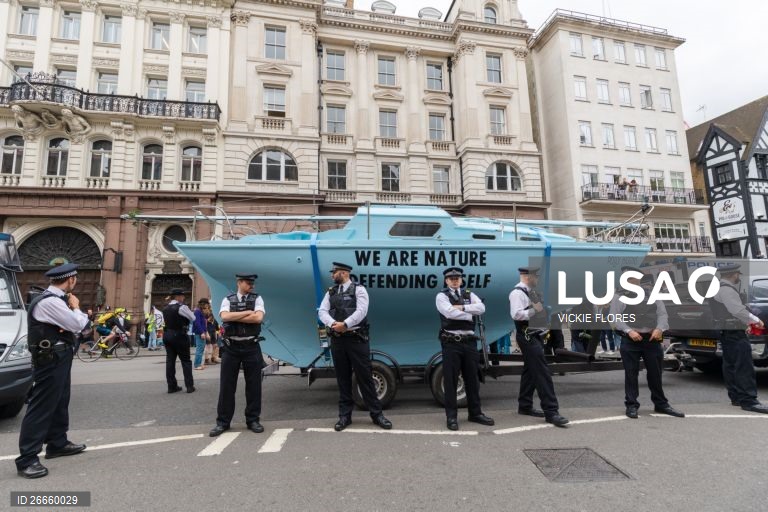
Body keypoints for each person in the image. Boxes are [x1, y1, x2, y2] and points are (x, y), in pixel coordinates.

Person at [15, 263, 89, 479]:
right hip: (51, 358)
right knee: (42, 405)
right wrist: (76, 306)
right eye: (75, 279)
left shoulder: (54, 300)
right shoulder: (51, 302)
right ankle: (27, 459)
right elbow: (79, 325)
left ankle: (57, 443)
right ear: (71, 280)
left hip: (59, 355)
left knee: (59, 400)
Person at [318, 262, 392, 432]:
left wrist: (345, 324)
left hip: (356, 340)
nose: (332, 275)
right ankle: (345, 416)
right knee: (342, 379)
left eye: (334, 272)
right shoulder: (331, 292)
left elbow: (361, 311)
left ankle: (377, 414)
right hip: (338, 340)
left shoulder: (359, 290)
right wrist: (333, 324)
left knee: (365, 377)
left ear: (343, 273)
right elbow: (322, 311)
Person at [610, 268, 684, 419]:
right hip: (631, 339)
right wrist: (629, 330)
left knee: (656, 373)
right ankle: (631, 405)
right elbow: (614, 317)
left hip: (652, 338)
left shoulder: (652, 294)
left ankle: (661, 404)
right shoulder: (619, 297)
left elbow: (662, 315)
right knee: (631, 374)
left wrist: (660, 329)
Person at [509, 267, 569, 427]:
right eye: (536, 276)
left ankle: (525, 405)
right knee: (542, 372)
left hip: (535, 334)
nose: (538, 279)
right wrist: (534, 312)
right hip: (527, 335)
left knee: (530, 370)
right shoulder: (517, 293)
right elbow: (516, 314)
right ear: (527, 277)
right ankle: (551, 411)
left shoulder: (531, 292)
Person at [436, 267, 494, 430]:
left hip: (469, 343)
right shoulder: (442, 296)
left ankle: (475, 413)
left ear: (461, 280)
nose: (455, 280)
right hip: (451, 342)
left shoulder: (469, 294)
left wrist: (462, 308)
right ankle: (452, 417)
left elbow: (481, 308)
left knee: (472, 379)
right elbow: (449, 313)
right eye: (451, 278)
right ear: (446, 280)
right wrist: (469, 313)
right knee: (451, 380)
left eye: (457, 278)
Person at [210, 274, 267, 436]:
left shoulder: (258, 298)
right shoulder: (228, 299)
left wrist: (237, 316)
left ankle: (253, 420)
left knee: (254, 386)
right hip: (231, 348)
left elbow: (258, 318)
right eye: (248, 283)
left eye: (252, 283)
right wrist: (248, 312)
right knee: (227, 386)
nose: (252, 286)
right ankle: (223, 422)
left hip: (251, 346)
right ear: (239, 283)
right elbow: (224, 317)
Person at [710, 264, 768, 413]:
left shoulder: (718, 288)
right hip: (734, 332)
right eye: (737, 274)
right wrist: (755, 320)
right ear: (733, 274)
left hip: (727, 330)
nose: (738, 277)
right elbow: (737, 310)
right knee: (744, 365)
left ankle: (736, 396)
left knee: (730, 364)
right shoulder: (727, 290)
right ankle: (749, 401)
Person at [162, 289, 195, 394]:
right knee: (186, 361)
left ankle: (171, 386)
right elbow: (193, 318)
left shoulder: (165, 308)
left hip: (167, 335)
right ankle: (189, 386)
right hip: (179, 335)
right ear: (178, 297)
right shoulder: (182, 307)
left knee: (170, 361)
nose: (183, 298)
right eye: (182, 296)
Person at [193, 298, 210, 370]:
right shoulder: (197, 311)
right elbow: (197, 323)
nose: (207, 305)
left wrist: (206, 332)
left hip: (202, 332)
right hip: (199, 333)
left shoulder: (201, 311)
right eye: (206, 304)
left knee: (201, 349)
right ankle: (197, 365)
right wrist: (202, 332)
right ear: (203, 304)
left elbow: (204, 323)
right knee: (199, 349)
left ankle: (199, 363)